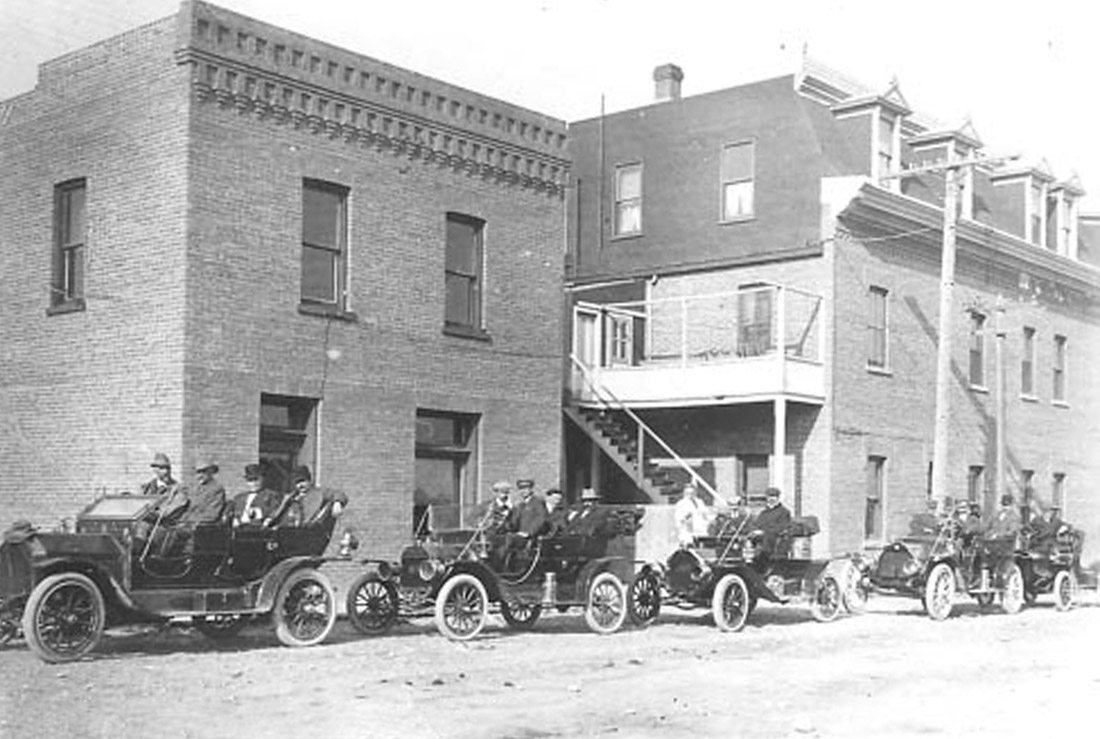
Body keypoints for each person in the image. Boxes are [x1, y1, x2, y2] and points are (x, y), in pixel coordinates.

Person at [270, 465, 348, 527]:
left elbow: (339, 494)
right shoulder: (290, 497)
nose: (300, 485)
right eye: (297, 483)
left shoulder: (319, 493)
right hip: (286, 530)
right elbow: (277, 515)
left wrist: (338, 502)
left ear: (309, 480)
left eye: (302, 481)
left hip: (305, 533)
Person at [180, 458, 227, 525]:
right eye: (198, 472)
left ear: (210, 472)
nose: (200, 475)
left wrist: (189, 521)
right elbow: (189, 509)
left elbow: (212, 514)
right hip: (190, 524)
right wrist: (182, 520)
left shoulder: (216, 489)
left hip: (204, 527)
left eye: (203, 472)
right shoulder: (196, 489)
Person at [751, 486, 792, 556]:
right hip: (760, 540)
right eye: (769, 496)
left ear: (778, 498)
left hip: (774, 542)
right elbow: (757, 524)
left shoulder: (784, 512)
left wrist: (763, 532)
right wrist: (754, 531)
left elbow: (781, 528)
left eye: (774, 496)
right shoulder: (763, 513)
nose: (771, 499)